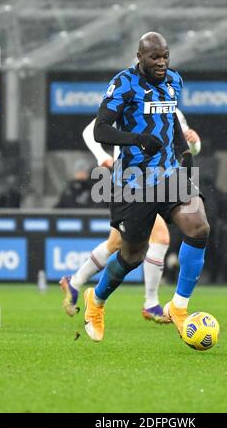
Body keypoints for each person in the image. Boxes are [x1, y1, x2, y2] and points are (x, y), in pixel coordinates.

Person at [83, 32, 210, 342]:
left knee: (198, 226)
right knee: (132, 255)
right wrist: (139, 139)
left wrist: (185, 163)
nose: (162, 62)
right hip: (133, 183)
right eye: (155, 57)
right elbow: (101, 129)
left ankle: (179, 307)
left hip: (169, 176)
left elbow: (172, 130)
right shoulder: (124, 84)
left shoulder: (173, 82)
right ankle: (95, 301)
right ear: (139, 57)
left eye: (166, 56)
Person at [60, 110, 201, 323]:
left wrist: (195, 144)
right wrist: (102, 157)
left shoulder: (174, 112)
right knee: (160, 238)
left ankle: (75, 281)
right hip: (130, 181)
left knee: (116, 243)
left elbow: (184, 149)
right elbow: (91, 130)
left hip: (161, 181)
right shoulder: (131, 101)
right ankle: (151, 303)